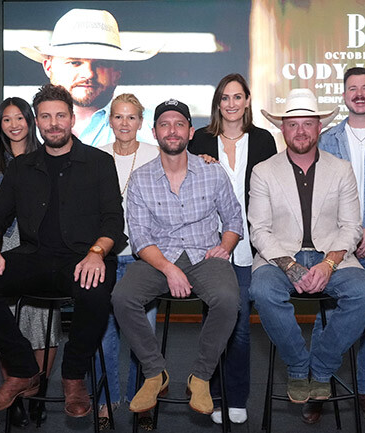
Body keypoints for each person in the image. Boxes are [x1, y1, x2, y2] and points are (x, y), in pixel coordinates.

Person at [0, 84, 125, 420]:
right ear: (37, 121)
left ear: (71, 119)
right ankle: (22, 370)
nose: (53, 123)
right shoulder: (22, 167)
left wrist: (97, 252)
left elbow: (113, 221)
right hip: (34, 258)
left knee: (95, 289)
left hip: (83, 259)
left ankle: (73, 375)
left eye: (60, 116)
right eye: (46, 116)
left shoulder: (99, 162)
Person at [248, 88, 365, 410]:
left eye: (308, 123)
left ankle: (320, 368)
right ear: (283, 129)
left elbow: (351, 228)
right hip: (278, 256)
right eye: (293, 124)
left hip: (332, 255)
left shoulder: (341, 169)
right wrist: (291, 267)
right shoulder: (263, 171)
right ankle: (296, 365)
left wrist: (327, 265)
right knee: (262, 291)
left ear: (320, 127)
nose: (301, 131)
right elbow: (259, 231)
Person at [111, 99, 242, 416]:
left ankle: (201, 376)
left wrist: (225, 245)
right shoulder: (141, 179)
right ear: (154, 132)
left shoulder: (212, 172)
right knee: (122, 296)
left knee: (228, 299)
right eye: (165, 124)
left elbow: (234, 219)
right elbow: (140, 237)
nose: (172, 130)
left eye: (179, 123)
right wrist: (169, 270)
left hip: (205, 254)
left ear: (191, 131)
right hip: (160, 256)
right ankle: (156, 372)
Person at [187, 73, 276, 425]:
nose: (231, 104)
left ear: (248, 100)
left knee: (239, 325)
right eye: (225, 98)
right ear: (217, 103)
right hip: (211, 246)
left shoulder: (265, 140)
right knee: (214, 324)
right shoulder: (201, 141)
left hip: (249, 246)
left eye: (237, 97)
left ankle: (236, 397)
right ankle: (212, 393)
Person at [314, 66, 365, 425]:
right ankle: (318, 388)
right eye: (352, 88)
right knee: (326, 317)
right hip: (334, 247)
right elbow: (316, 195)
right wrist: (344, 236)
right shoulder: (327, 140)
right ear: (344, 95)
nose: (359, 93)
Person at [0, 97, 59, 427]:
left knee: (42, 323)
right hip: (1, 247)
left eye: (19, 118)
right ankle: (13, 391)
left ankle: (38, 388)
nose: (14, 125)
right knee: (6, 324)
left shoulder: (48, 157)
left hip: (41, 246)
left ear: (30, 120)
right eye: (6, 119)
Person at [94, 93, 159, 428]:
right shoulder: (95, 157)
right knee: (103, 334)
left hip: (142, 259)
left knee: (142, 337)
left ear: (141, 121)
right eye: (118, 117)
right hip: (103, 259)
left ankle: (142, 402)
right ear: (110, 120)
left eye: (131, 117)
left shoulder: (156, 155)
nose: (124, 123)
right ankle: (106, 402)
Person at [18, 8, 159, 147]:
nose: (89, 74)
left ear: (117, 72)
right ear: (49, 67)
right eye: (75, 62)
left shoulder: (154, 129)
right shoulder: (19, 126)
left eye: (101, 64)